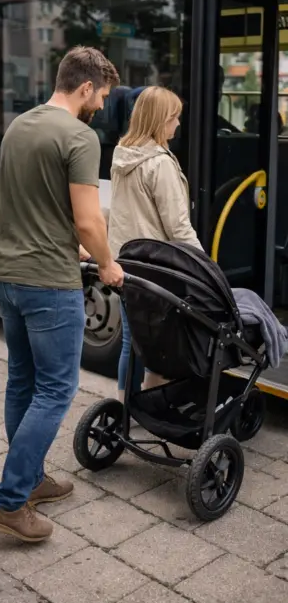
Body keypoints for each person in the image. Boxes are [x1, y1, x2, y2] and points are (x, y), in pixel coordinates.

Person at [0, 45, 124, 543]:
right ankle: (8, 501)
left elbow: (33, 204)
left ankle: (32, 479)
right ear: (85, 87)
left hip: (6, 274)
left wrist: (73, 243)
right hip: (47, 281)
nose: (102, 106)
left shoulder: (20, 125)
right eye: (102, 95)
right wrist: (106, 262)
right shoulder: (80, 137)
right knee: (56, 389)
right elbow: (87, 219)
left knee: (22, 380)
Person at [108, 86, 203, 399]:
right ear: (161, 120)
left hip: (126, 262)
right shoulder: (159, 164)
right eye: (174, 118)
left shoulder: (122, 153)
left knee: (129, 341)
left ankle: (124, 407)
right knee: (157, 345)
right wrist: (204, 267)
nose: (177, 125)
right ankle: (154, 407)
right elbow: (178, 227)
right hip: (155, 269)